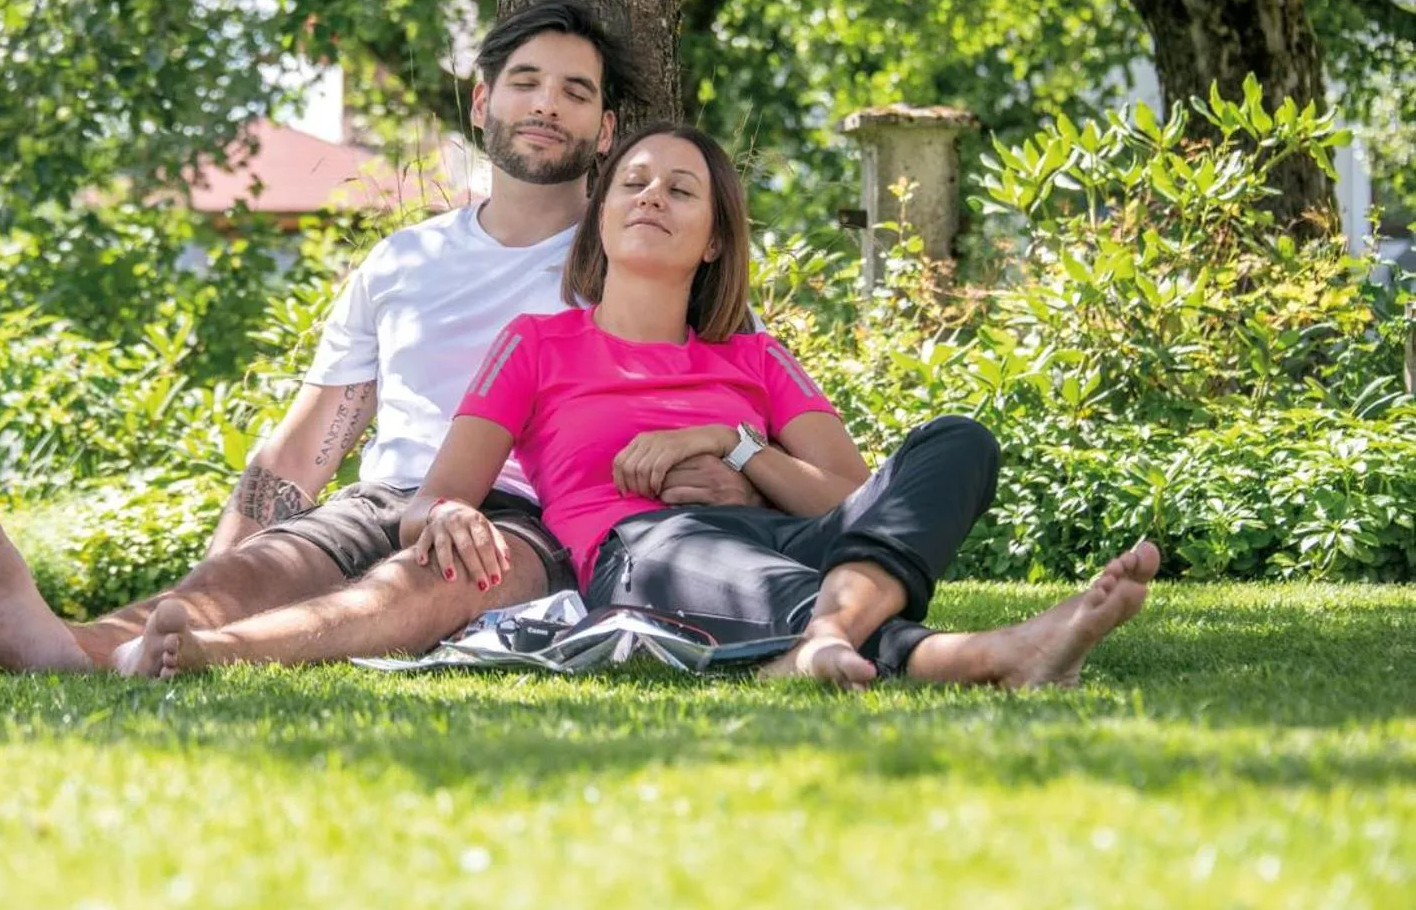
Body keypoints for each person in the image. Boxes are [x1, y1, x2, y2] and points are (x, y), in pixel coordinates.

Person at [130, 124, 1158, 689]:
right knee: (691, 555)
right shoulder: (537, 345)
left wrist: (736, 442)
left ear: (714, 236)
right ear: (604, 214)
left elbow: (849, 496)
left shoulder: (756, 355)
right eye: (633, 182)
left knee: (955, 441)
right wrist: (442, 518)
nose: (652, 197)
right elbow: (439, 496)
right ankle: (977, 655)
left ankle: (829, 640)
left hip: (796, 531)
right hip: (646, 543)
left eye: (682, 189)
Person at [0, 0, 762, 673]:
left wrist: (739, 480)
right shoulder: (404, 259)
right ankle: (75, 646)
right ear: (483, 104)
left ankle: (206, 656)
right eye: (525, 82)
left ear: (607, 131)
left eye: (576, 92)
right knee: (260, 570)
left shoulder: (643, 250)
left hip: (531, 512)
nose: (547, 104)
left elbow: (736, 400)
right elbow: (303, 452)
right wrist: (210, 574)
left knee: (429, 576)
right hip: (388, 495)